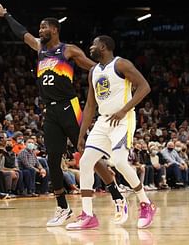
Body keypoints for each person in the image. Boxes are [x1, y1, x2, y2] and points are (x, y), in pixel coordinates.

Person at [0, 3, 121, 226]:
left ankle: (116, 194)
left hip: (70, 106)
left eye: (43, 28)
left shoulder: (69, 50)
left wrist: (117, 76)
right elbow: (22, 33)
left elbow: (95, 69)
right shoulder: (40, 48)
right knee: (52, 160)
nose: (39, 31)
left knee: (87, 151)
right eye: (39, 28)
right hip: (50, 110)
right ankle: (63, 207)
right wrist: (7, 16)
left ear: (54, 29)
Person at [66, 35, 156, 230]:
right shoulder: (93, 71)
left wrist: (124, 109)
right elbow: (90, 105)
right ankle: (88, 215)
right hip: (103, 121)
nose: (90, 47)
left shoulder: (121, 64)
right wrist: (82, 134)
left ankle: (146, 203)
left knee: (120, 161)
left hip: (123, 120)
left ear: (104, 46)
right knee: (85, 162)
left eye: (94, 44)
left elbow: (144, 87)